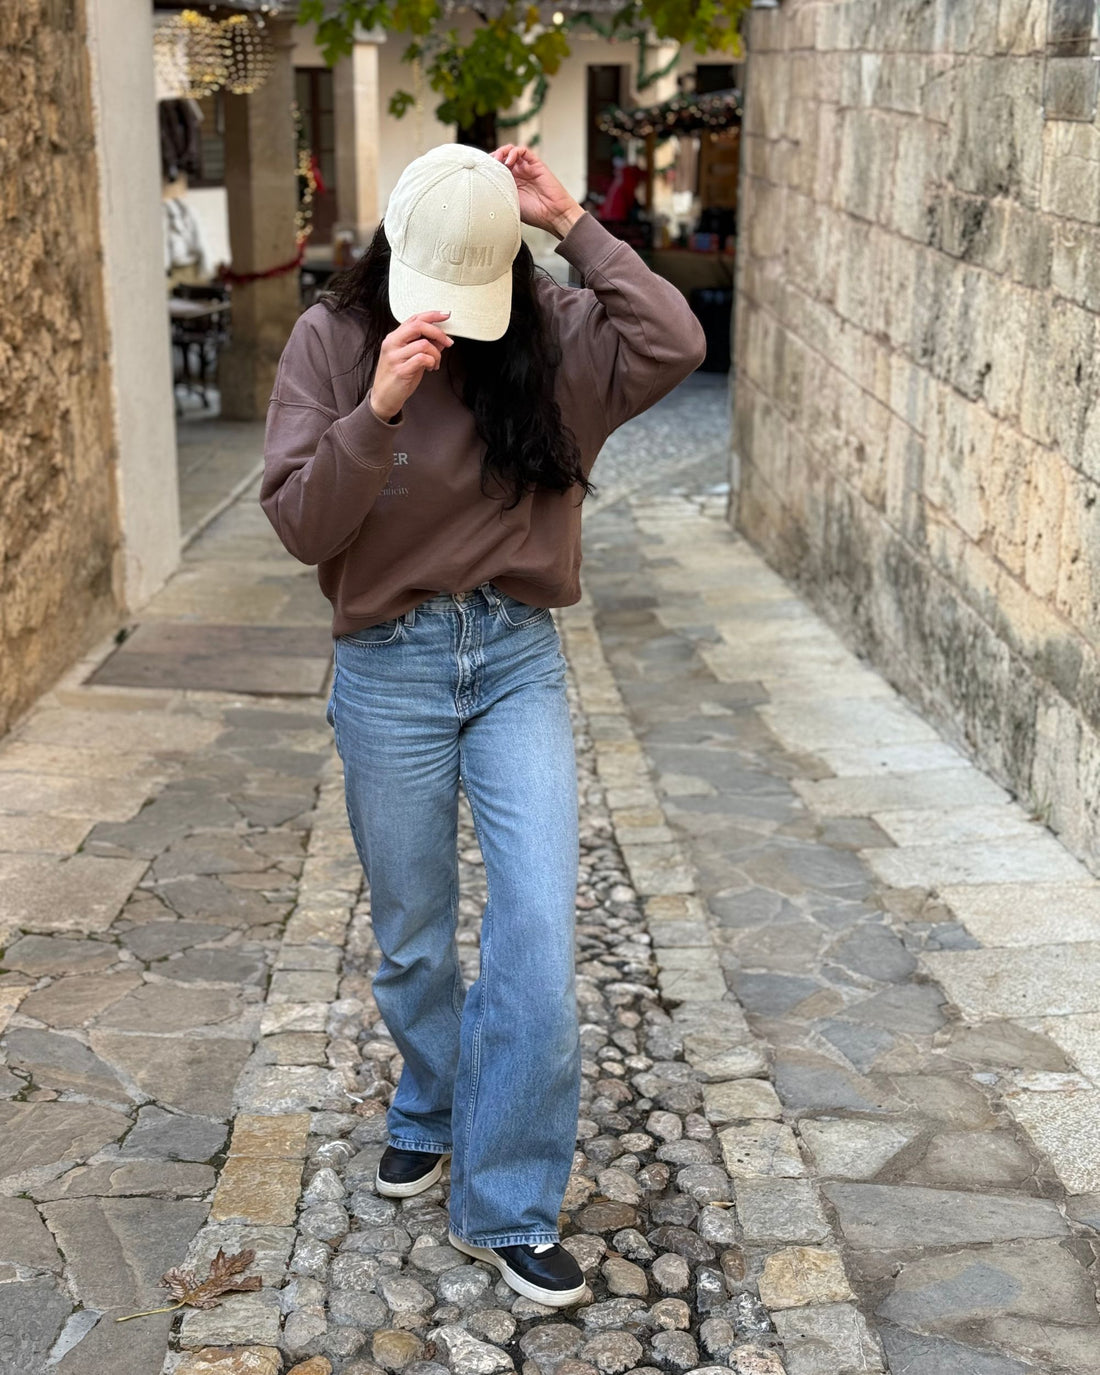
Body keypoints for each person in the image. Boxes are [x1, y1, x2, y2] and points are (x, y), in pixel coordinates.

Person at [261, 142, 706, 1306]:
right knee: (412, 936)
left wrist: (570, 220)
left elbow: (674, 342)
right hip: (388, 667)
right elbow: (305, 529)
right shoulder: (332, 341)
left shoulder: (551, 332)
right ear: (393, 249)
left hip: (515, 659)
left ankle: (503, 1202)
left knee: (537, 942)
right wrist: (376, 411)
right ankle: (428, 1097)